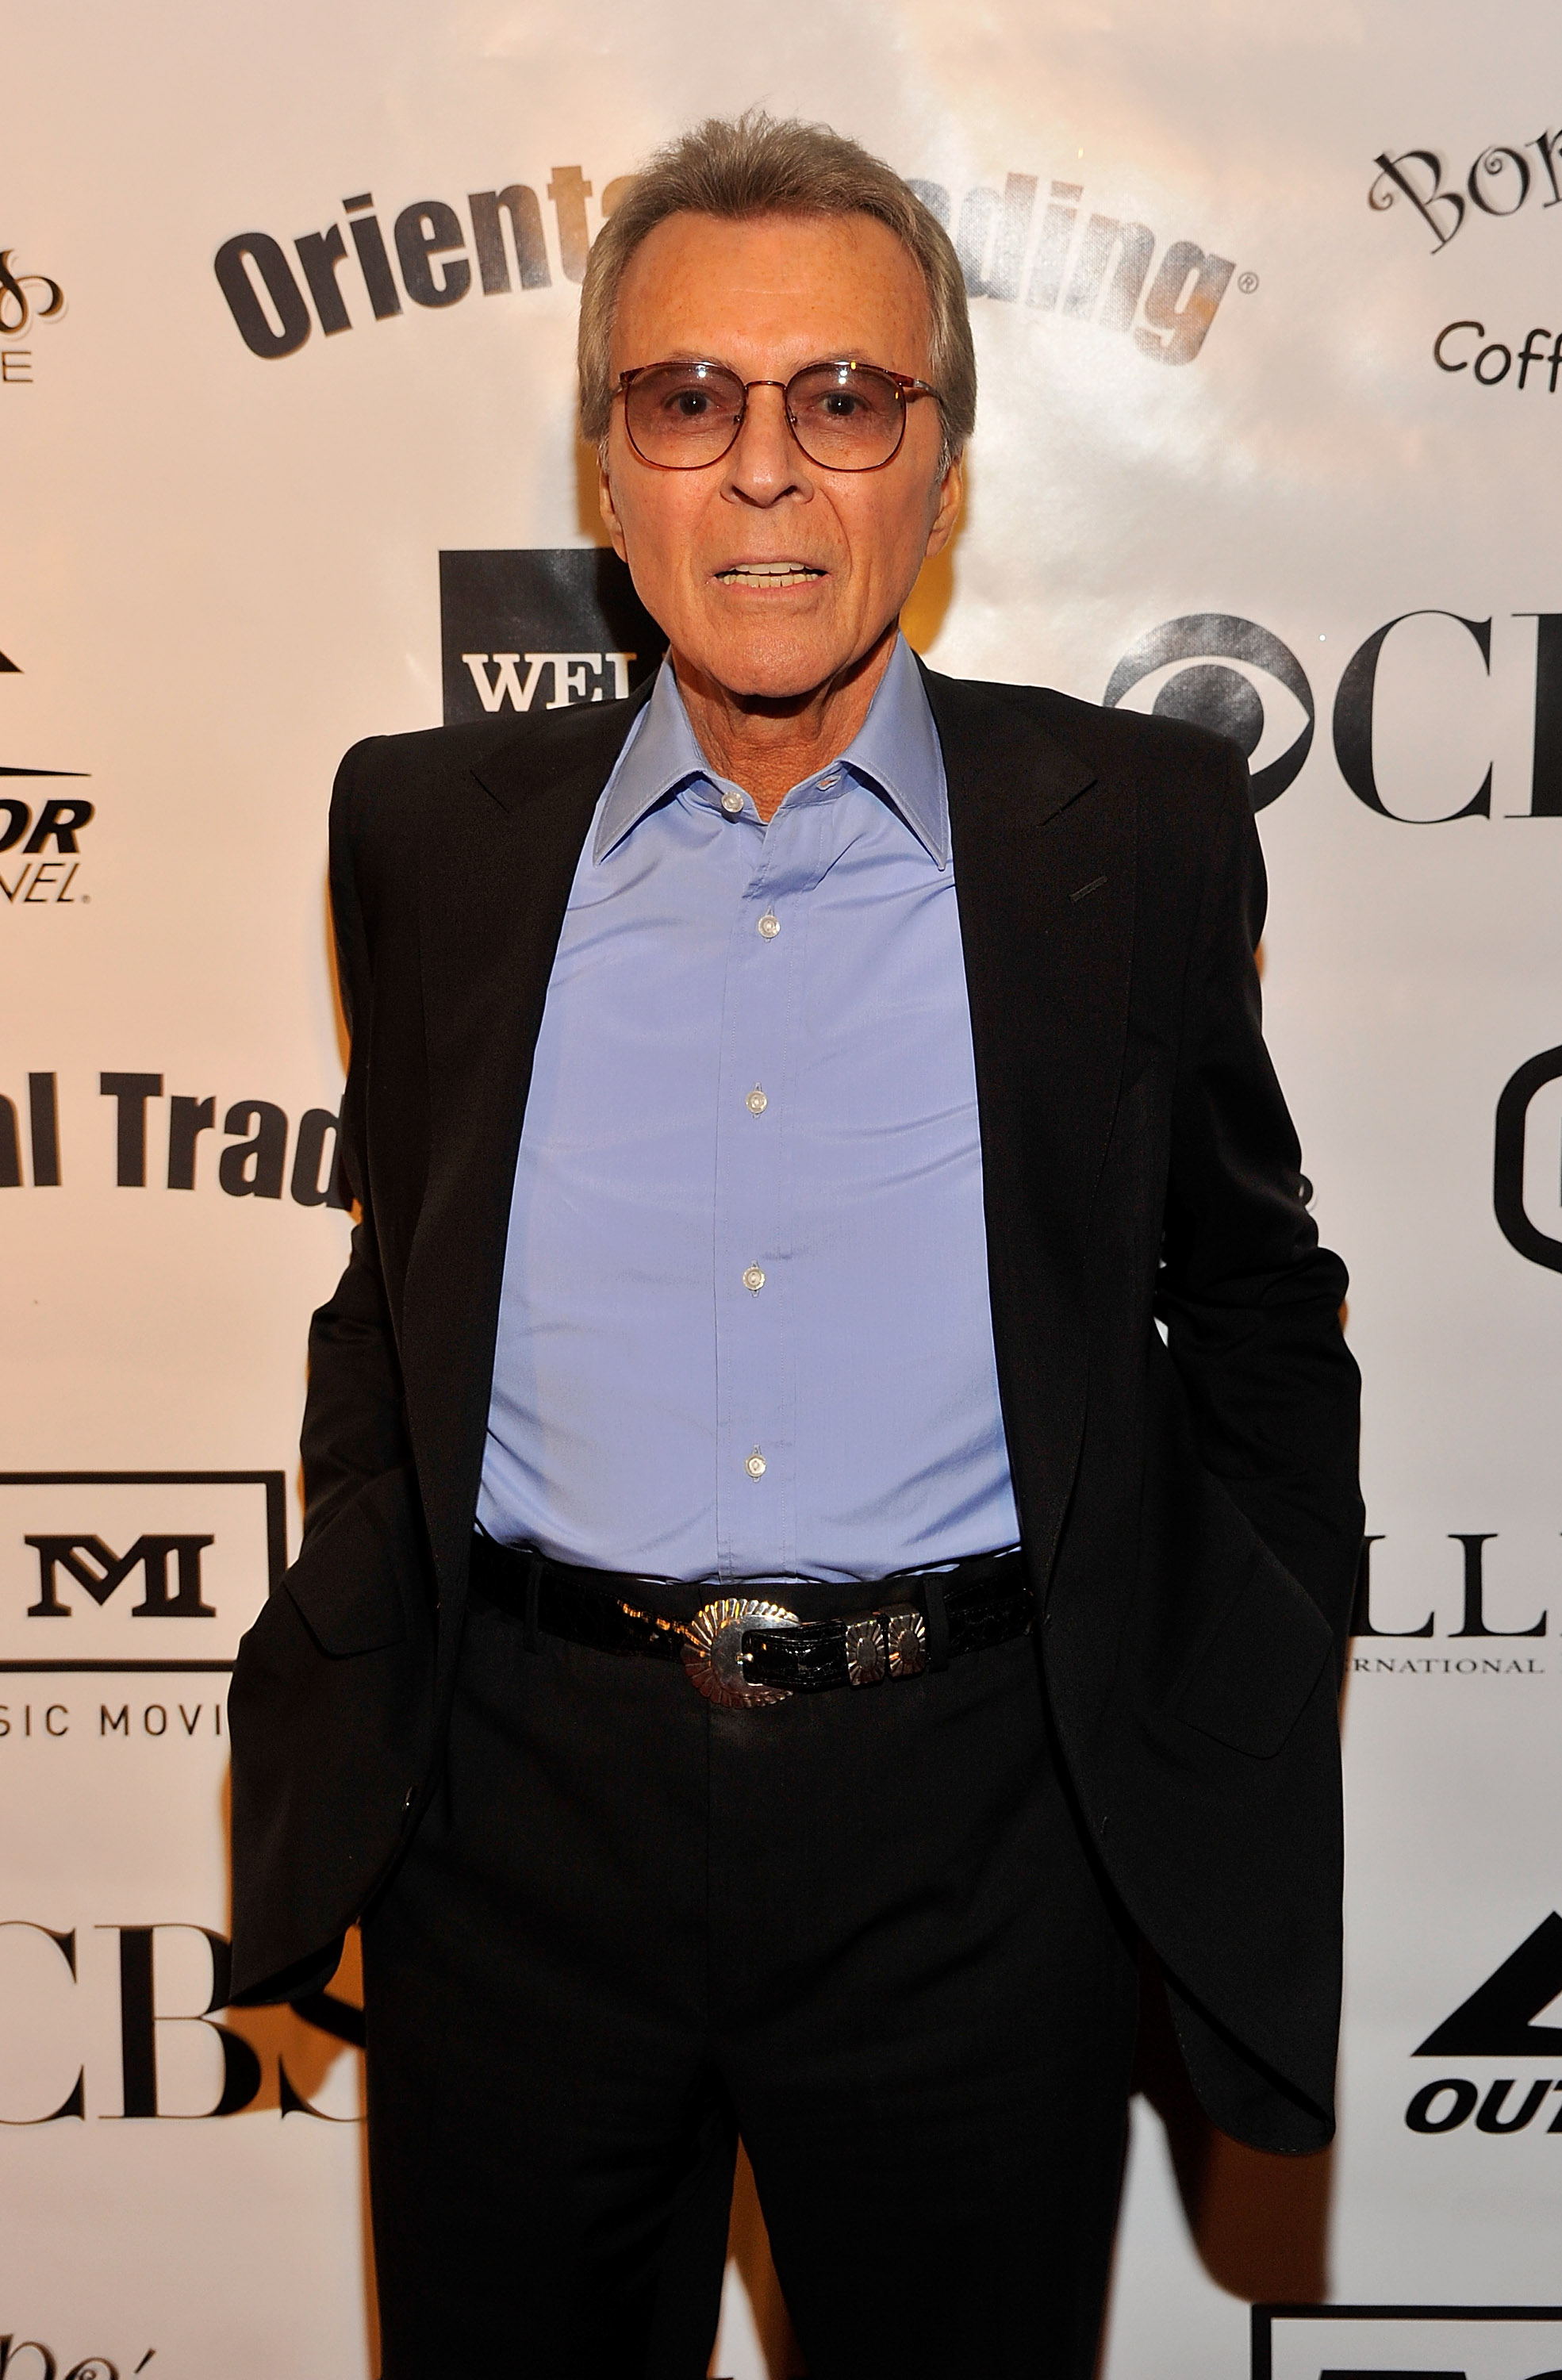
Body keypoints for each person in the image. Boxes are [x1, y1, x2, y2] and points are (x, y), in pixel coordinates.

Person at [228, 109, 1364, 2380]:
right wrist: (377, 1601)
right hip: (513, 1830)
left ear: (939, 468)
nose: (765, 471)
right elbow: (397, 1281)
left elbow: (1249, 1295)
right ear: (604, 467)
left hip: (974, 1838)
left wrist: (1236, 1661)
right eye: (689, 398)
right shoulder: (423, 833)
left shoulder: (1125, 835)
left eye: (844, 399)